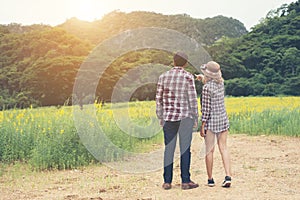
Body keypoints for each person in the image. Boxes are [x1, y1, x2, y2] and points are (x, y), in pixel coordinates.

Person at [156, 52, 199, 190]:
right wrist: (195, 116)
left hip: (169, 118)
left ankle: (167, 181)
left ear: (173, 62)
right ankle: (185, 181)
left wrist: (160, 116)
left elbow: (159, 99)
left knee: (169, 149)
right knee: (185, 150)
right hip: (185, 118)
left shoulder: (163, 77)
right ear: (185, 63)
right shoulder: (188, 77)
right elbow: (192, 99)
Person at [196, 61, 232, 188]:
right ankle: (228, 176)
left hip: (211, 122)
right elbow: (211, 83)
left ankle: (210, 179)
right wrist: (202, 78)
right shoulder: (221, 83)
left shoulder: (206, 88)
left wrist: (202, 126)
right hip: (222, 119)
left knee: (209, 151)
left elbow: (206, 110)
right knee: (223, 148)